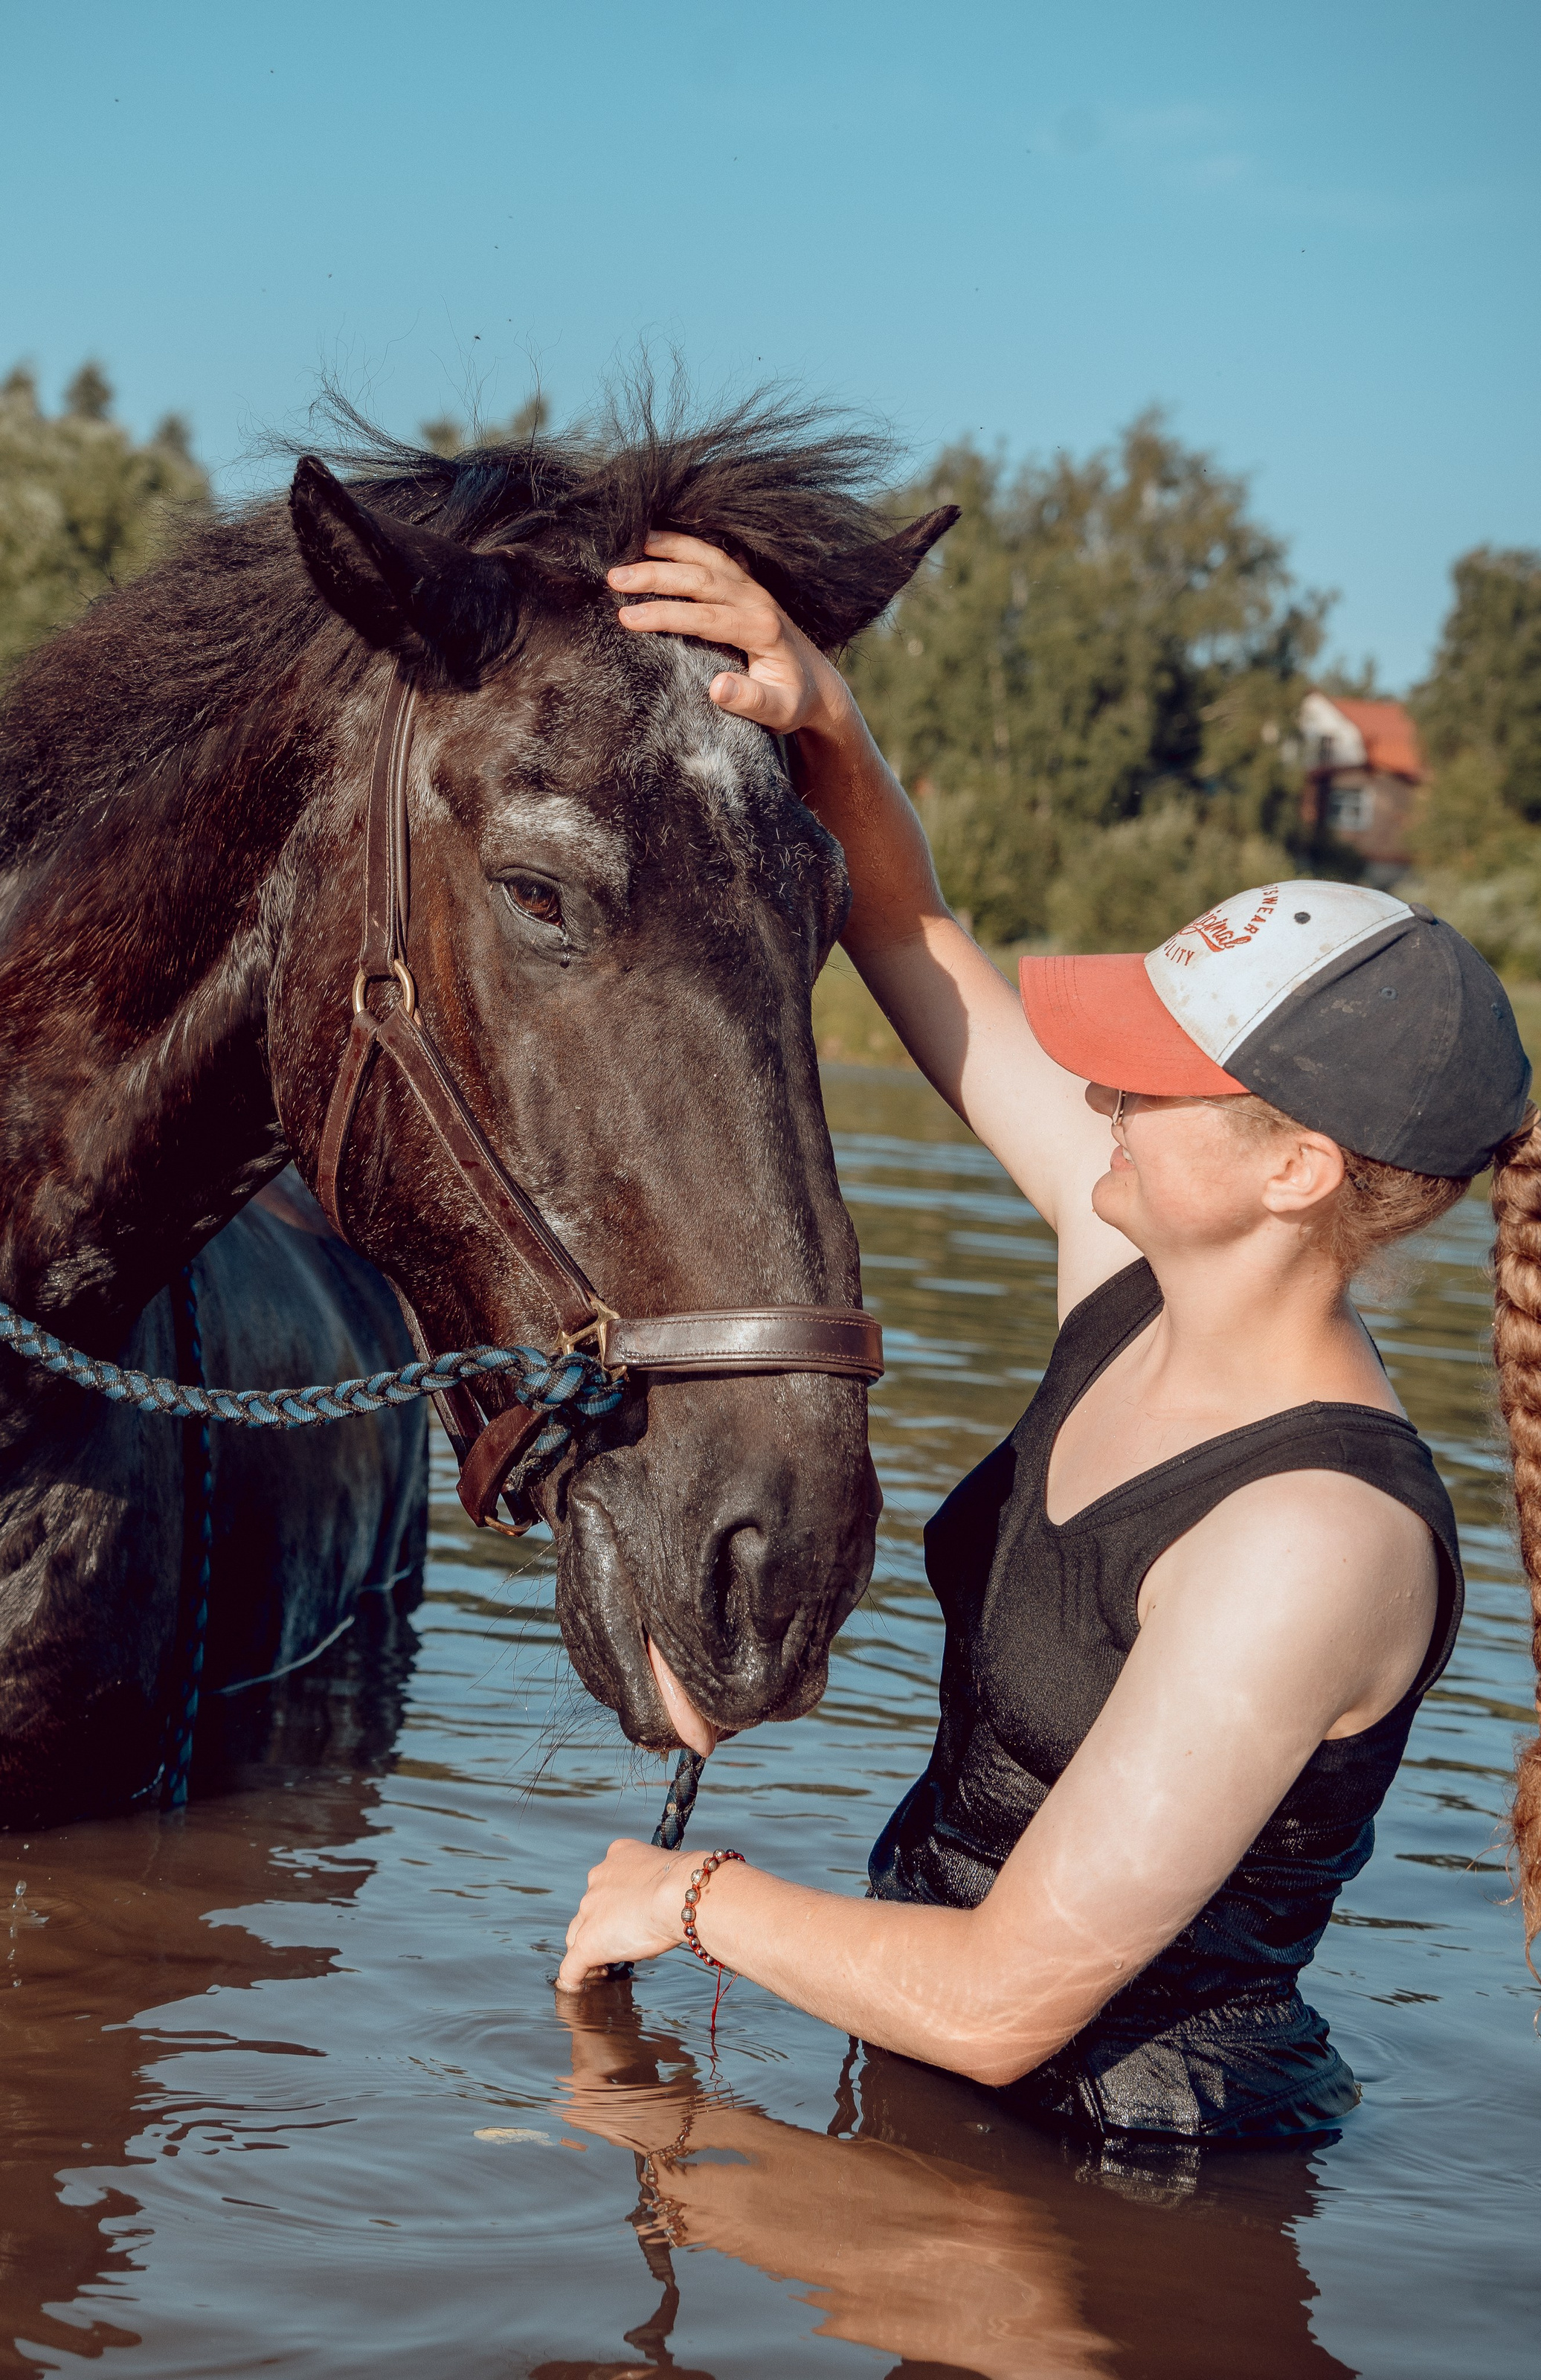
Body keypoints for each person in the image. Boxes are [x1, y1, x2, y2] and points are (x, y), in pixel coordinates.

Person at [555, 532, 1541, 2141]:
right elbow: (911, 928)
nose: (1094, 1088)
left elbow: (1004, 2001)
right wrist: (827, 720)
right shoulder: (1124, 1262)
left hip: (1124, 2195)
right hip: (945, 2103)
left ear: (1292, 1171)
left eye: (1149, 1075)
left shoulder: (1309, 1539)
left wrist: (688, 1898)